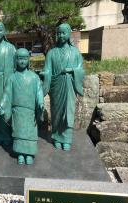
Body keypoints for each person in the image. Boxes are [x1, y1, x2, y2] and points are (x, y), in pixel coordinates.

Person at [0, 48, 44, 165]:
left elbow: (39, 92)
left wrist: (41, 103)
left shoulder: (34, 77)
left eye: (25, 58)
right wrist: (2, 106)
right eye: (20, 58)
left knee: (30, 133)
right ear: (15, 60)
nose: (22, 61)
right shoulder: (12, 78)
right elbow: (7, 95)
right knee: (19, 133)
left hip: (30, 112)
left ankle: (29, 154)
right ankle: (20, 154)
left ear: (29, 60)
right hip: (17, 111)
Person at [40, 23, 84, 151]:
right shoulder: (51, 53)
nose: (61, 35)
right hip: (56, 86)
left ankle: (67, 139)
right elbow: (47, 69)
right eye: (58, 33)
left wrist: (71, 70)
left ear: (69, 34)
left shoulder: (75, 52)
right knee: (57, 112)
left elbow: (81, 70)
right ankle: (56, 137)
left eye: (63, 32)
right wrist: (44, 74)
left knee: (68, 112)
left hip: (69, 84)